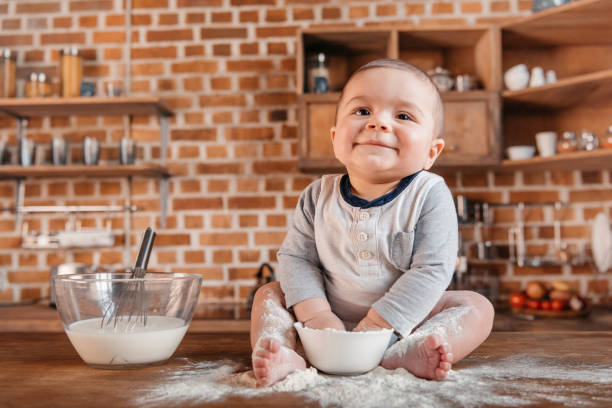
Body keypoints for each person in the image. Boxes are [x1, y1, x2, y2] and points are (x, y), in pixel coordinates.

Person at [249, 59, 494, 386]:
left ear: (431, 153)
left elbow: (433, 268)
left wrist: (379, 324)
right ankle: (286, 353)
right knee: (269, 294)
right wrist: (317, 316)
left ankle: (407, 354)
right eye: (362, 111)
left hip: (403, 325)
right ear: (336, 138)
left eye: (403, 116)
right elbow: (297, 259)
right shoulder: (316, 195)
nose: (378, 122)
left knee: (477, 307)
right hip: (323, 325)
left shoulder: (429, 194)